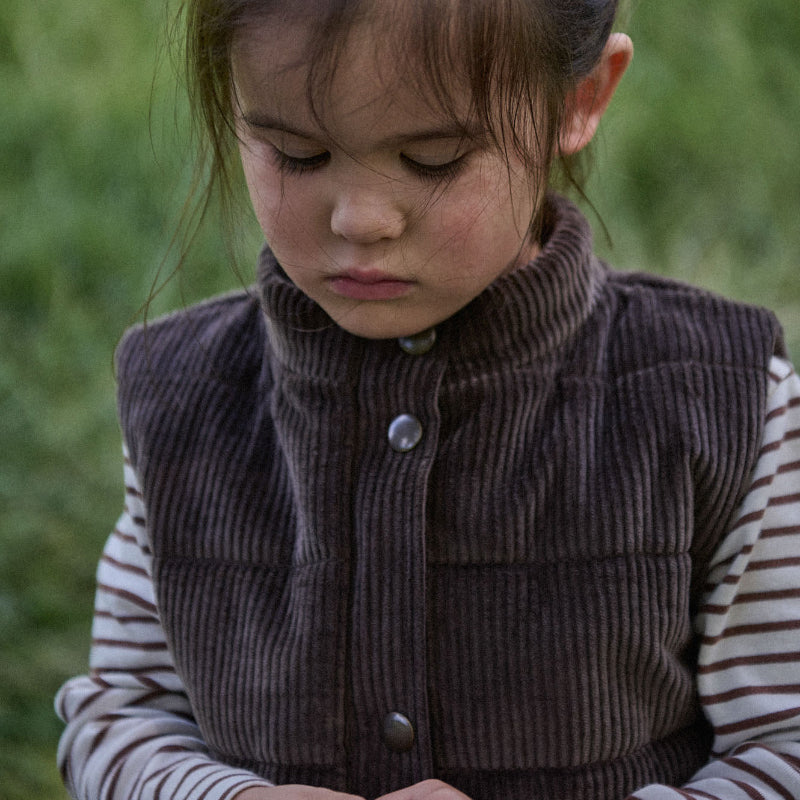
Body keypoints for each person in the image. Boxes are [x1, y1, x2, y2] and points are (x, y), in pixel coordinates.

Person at [55, 0, 800, 798]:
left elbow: (785, 743)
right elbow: (121, 713)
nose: (360, 219)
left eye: (435, 157)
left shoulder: (723, 403)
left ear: (578, 100)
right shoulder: (183, 399)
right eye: (296, 153)